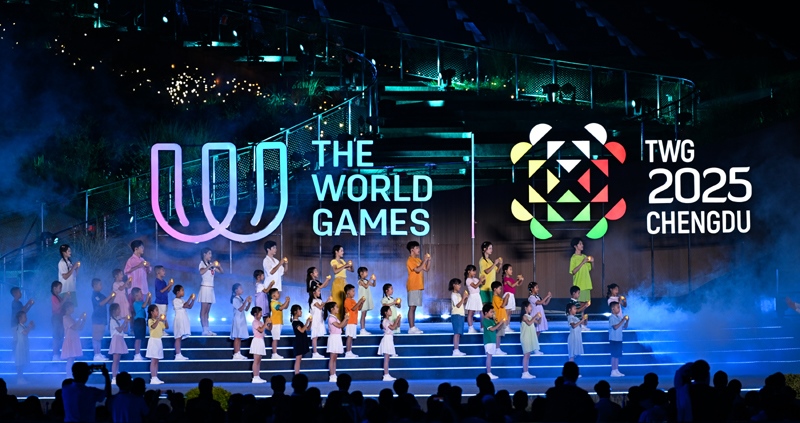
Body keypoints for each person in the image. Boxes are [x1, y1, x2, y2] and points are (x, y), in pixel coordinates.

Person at [198, 247, 222, 336]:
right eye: (209, 253)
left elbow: (221, 272)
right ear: (204, 254)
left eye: (211, 254)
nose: (210, 255)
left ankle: (207, 329)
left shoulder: (210, 264)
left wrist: (219, 266)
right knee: (203, 311)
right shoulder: (202, 263)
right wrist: (209, 266)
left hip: (211, 288)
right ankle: (204, 329)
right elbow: (201, 272)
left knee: (207, 311)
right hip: (205, 288)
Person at [90, 278, 113, 362]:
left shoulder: (101, 294)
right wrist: (110, 296)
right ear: (95, 286)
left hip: (102, 318)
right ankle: (96, 354)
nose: (101, 286)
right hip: (97, 318)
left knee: (99, 337)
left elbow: (109, 302)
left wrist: (113, 296)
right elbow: (101, 303)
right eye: (100, 284)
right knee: (96, 337)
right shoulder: (94, 295)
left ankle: (98, 353)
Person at [325, 301, 349, 382]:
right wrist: (345, 319)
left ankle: (334, 374)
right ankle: (331, 375)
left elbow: (342, 326)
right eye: (337, 307)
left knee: (335, 357)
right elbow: (339, 325)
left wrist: (346, 319)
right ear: (332, 309)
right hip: (333, 338)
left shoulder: (335, 318)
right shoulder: (331, 318)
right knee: (332, 357)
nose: (338, 309)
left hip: (337, 337)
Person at [569, 238, 593, 317]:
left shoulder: (585, 256)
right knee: (579, 305)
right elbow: (573, 271)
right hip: (579, 284)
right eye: (580, 244)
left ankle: (583, 320)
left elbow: (590, 269)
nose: (582, 245)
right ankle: (579, 320)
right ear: (575, 246)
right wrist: (582, 262)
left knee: (586, 304)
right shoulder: (573, 258)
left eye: (582, 244)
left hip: (587, 284)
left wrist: (592, 262)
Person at [378, 305, 402, 381]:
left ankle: (387, 374)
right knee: (386, 358)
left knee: (387, 358)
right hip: (387, 339)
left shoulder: (388, 320)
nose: (391, 311)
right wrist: (397, 319)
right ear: (386, 312)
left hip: (390, 339)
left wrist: (399, 319)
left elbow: (397, 326)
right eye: (389, 310)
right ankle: (386, 375)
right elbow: (392, 327)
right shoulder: (385, 321)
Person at [146, 304, 168, 384]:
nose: (158, 312)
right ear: (152, 312)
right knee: (153, 360)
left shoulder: (159, 321)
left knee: (157, 360)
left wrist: (165, 320)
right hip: (153, 341)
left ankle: (156, 376)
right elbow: (153, 326)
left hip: (159, 341)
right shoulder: (150, 320)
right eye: (156, 310)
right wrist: (158, 320)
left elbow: (166, 327)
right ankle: (153, 377)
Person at [330, 245, 354, 319]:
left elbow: (352, 270)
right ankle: (336, 320)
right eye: (341, 250)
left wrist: (351, 265)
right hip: (338, 282)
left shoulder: (342, 261)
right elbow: (335, 271)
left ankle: (343, 321)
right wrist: (345, 265)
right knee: (338, 301)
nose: (343, 252)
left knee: (344, 301)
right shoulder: (333, 261)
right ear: (336, 252)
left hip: (344, 282)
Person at [108, 303, 130, 383]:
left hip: (120, 339)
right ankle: (114, 377)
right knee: (115, 360)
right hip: (116, 339)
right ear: (114, 311)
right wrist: (124, 322)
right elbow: (119, 330)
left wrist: (126, 322)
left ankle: (116, 375)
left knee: (118, 360)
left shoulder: (118, 319)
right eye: (118, 309)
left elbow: (124, 330)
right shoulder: (112, 320)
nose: (119, 311)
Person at [61, 302, 85, 374]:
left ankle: (70, 374)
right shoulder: (65, 318)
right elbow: (74, 327)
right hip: (70, 340)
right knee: (70, 359)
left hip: (74, 339)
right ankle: (68, 375)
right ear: (67, 308)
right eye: (72, 307)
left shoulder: (71, 318)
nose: (73, 309)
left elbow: (79, 328)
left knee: (72, 358)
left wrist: (83, 320)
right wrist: (80, 318)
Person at [172, 284, 194, 360]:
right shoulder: (175, 300)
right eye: (182, 290)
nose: (183, 292)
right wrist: (190, 298)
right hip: (179, 320)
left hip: (183, 319)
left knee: (180, 336)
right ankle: (177, 354)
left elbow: (189, 306)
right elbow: (184, 305)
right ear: (178, 292)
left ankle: (179, 353)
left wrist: (193, 300)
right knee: (178, 337)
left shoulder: (182, 300)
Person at [230, 283, 252, 360]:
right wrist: (245, 301)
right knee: (237, 336)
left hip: (241, 319)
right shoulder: (235, 299)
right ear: (236, 290)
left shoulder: (240, 299)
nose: (242, 290)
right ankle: (236, 354)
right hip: (237, 320)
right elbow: (240, 309)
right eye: (240, 288)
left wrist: (249, 302)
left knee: (239, 336)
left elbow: (246, 309)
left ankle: (238, 353)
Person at [520, 300, 541, 379]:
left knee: (528, 355)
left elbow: (538, 322)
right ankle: (525, 372)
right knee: (526, 355)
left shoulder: (530, 317)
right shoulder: (524, 316)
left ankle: (526, 372)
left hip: (529, 337)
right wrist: (535, 316)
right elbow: (529, 323)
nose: (531, 308)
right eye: (530, 306)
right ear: (526, 308)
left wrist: (540, 317)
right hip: (525, 338)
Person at [343, 284, 366, 358]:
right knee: (349, 336)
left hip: (354, 321)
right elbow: (353, 308)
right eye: (353, 291)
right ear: (348, 292)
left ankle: (350, 351)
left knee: (351, 337)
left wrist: (362, 303)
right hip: (349, 321)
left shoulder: (353, 300)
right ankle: (348, 352)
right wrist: (359, 301)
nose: (354, 293)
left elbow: (358, 308)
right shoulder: (347, 300)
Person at [481, 303, 503, 380]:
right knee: (489, 357)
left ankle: (489, 372)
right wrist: (499, 324)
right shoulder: (485, 321)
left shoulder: (491, 320)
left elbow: (497, 328)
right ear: (486, 313)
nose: (492, 313)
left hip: (492, 341)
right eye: (491, 312)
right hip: (488, 341)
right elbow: (492, 329)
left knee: (490, 357)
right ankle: (489, 372)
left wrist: (499, 323)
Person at [250, 306, 271, 383]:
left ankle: (257, 376)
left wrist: (270, 322)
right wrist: (265, 323)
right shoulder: (255, 322)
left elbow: (269, 329)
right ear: (255, 314)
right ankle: (255, 377)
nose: (261, 314)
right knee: (256, 360)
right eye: (260, 313)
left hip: (261, 341)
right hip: (256, 341)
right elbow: (261, 330)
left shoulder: (261, 322)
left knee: (259, 360)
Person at [608, 301, 629, 377]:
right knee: (614, 355)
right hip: (613, 339)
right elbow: (615, 327)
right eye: (618, 307)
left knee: (617, 355)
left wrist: (627, 321)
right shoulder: (611, 317)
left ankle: (616, 370)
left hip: (619, 338)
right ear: (613, 309)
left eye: (619, 307)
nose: (619, 309)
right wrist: (623, 320)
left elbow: (624, 327)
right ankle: (613, 370)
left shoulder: (619, 317)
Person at [269, 288, 290, 359]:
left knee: (276, 338)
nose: (279, 294)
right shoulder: (273, 303)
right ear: (273, 295)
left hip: (278, 322)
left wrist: (288, 301)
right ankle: (274, 354)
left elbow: (285, 307)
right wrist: (286, 301)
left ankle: (275, 353)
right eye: (277, 293)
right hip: (275, 323)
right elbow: (281, 308)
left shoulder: (277, 302)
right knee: (275, 338)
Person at [500, 264, 523, 330]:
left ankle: (507, 326)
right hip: (508, 295)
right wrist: (518, 280)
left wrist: (521, 280)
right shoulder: (506, 279)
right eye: (510, 269)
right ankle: (504, 326)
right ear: (506, 271)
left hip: (512, 295)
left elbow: (517, 284)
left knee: (510, 312)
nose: (511, 271)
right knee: (507, 312)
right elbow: (512, 285)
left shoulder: (511, 279)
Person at [291, 304, 312, 374]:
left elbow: (307, 329)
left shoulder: (299, 322)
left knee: (299, 359)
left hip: (302, 341)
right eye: (299, 310)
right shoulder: (295, 322)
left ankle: (297, 373)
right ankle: (297, 374)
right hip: (298, 342)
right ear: (295, 312)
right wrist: (307, 322)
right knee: (298, 359)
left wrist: (310, 322)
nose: (301, 312)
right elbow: (302, 330)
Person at [448, 278, 468, 356]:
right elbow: (458, 305)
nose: (460, 286)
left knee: (459, 333)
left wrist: (466, 298)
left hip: (461, 315)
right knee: (456, 333)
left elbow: (462, 303)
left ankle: (457, 349)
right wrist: (463, 298)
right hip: (456, 315)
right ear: (454, 285)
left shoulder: (458, 294)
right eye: (458, 284)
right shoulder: (453, 295)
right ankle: (455, 350)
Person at [130, 288, 151, 361]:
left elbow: (148, 304)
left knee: (141, 338)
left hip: (142, 321)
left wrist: (149, 298)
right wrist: (147, 298)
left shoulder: (141, 302)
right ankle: (137, 354)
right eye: (140, 293)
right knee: (138, 338)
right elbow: (144, 306)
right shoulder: (135, 303)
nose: (142, 294)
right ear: (136, 295)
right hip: (138, 321)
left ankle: (139, 354)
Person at [14, 310, 34, 379]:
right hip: (20, 348)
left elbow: (28, 330)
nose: (26, 318)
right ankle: (19, 378)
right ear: (20, 318)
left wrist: (30, 326)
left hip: (23, 347)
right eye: (25, 317)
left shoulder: (23, 326)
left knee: (22, 363)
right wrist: (29, 327)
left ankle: (21, 377)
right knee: (19, 363)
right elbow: (25, 332)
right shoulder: (19, 326)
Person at [463, 265, 483, 333]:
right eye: (473, 271)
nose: (475, 272)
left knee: (480, 311)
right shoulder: (468, 280)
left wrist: (483, 279)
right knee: (471, 313)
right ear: (469, 271)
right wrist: (480, 281)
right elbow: (475, 286)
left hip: (477, 296)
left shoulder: (475, 279)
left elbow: (481, 284)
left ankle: (482, 327)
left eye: (475, 271)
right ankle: (470, 328)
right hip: (472, 296)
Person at [490, 282, 509, 355]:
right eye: (500, 289)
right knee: (498, 334)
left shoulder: (498, 298)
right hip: (499, 319)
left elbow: (505, 303)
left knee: (500, 334)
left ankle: (497, 348)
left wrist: (506, 298)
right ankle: (497, 349)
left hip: (501, 319)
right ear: (495, 289)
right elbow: (502, 305)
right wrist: (506, 298)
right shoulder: (495, 298)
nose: (501, 290)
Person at [308, 285, 327, 358]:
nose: (320, 292)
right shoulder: (314, 301)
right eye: (318, 291)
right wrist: (327, 301)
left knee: (317, 335)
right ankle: (315, 353)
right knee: (314, 336)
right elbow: (320, 307)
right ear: (314, 292)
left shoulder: (319, 300)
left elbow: (322, 307)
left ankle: (315, 352)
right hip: (315, 320)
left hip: (319, 320)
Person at [357, 267, 375, 335]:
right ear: (361, 273)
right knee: (363, 314)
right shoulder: (360, 281)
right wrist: (370, 279)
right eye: (366, 272)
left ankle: (363, 329)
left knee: (364, 315)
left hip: (366, 299)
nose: (367, 273)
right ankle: (362, 329)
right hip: (363, 300)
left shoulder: (366, 280)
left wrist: (374, 280)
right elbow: (366, 286)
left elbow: (373, 285)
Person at [50, 281, 64, 361]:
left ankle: (58, 353)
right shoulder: (53, 297)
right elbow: (57, 307)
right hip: (56, 318)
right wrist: (65, 299)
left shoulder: (58, 297)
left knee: (60, 336)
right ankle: (55, 355)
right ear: (54, 288)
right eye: (60, 287)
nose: (61, 289)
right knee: (56, 337)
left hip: (60, 318)